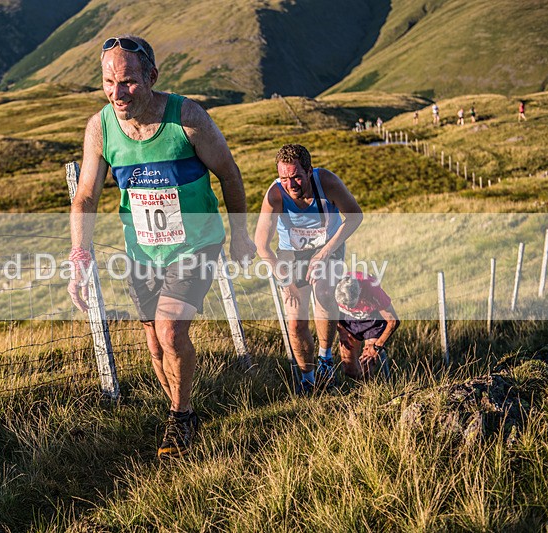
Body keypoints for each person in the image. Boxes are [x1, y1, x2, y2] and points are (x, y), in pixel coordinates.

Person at [68, 35, 256, 458]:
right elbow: (86, 197)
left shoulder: (187, 117)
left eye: (128, 81)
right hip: (142, 252)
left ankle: (180, 417)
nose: (117, 93)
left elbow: (229, 173)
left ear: (152, 76)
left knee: (171, 331)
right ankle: (179, 407)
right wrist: (79, 255)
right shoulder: (101, 128)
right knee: (155, 343)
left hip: (196, 244)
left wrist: (241, 234)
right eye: (109, 82)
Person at [255, 144, 363, 393]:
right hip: (291, 254)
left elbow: (355, 216)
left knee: (323, 292)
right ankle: (308, 379)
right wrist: (285, 280)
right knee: (295, 322)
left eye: (296, 177)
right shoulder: (275, 195)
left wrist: (324, 253)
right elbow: (262, 245)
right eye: (284, 178)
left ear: (309, 171)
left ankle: (325, 359)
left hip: (328, 246)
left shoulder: (327, 182)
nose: (290, 184)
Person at [334, 272, 400, 380]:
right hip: (348, 320)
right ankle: (360, 385)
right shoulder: (332, 285)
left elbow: (393, 321)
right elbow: (328, 312)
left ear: (360, 291)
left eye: (352, 305)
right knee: (349, 369)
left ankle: (377, 384)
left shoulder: (372, 288)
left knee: (368, 363)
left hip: (372, 320)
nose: (349, 308)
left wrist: (377, 346)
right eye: (345, 306)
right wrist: (341, 331)